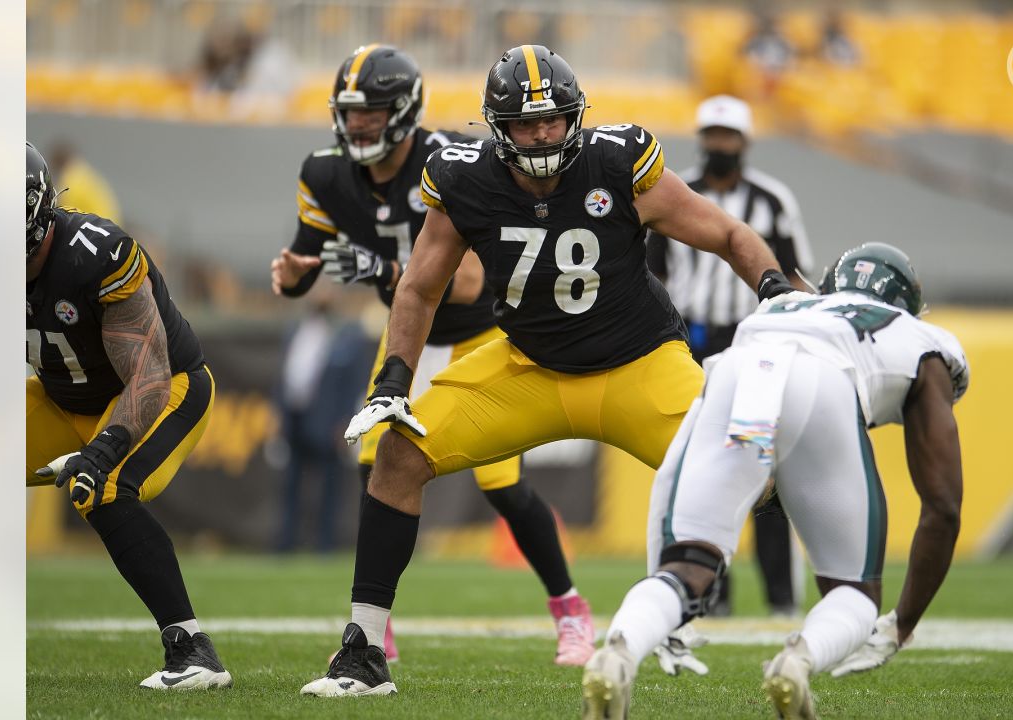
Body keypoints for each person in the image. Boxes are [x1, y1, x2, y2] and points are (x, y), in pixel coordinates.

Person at [300, 44, 799, 699]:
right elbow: (420, 289)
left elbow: (730, 236)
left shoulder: (618, 162)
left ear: (575, 117)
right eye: (525, 123)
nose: (541, 134)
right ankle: (364, 653)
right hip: (530, 365)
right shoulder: (463, 178)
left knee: (763, 478)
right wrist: (394, 380)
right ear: (496, 126)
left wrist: (774, 287)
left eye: (553, 120)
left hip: (639, 366)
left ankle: (838, 609)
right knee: (398, 455)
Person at [269, 45, 594, 666]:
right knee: (376, 465)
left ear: (407, 110)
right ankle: (373, 624)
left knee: (502, 485)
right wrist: (293, 275)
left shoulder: (450, 160)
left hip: (479, 332)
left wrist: (378, 266)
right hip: (407, 340)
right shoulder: (325, 173)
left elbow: (467, 283)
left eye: (374, 111)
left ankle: (569, 606)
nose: (360, 124)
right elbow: (303, 261)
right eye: (351, 112)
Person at [583, 242, 967, 720]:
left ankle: (620, 647)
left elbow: (671, 472)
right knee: (854, 592)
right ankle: (796, 662)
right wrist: (902, 624)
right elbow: (943, 506)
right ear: (907, 303)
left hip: (738, 372)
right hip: (824, 385)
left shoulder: (784, 303)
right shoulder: (919, 337)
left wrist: (662, 571)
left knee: (688, 564)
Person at [25, 142, 231, 690]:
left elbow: (150, 376)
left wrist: (103, 450)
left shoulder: (96, 255)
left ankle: (192, 651)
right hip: (61, 397)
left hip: (161, 390)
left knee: (104, 487)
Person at [647, 94, 814, 618]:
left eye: (728, 136)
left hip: (756, 341)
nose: (720, 145)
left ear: (744, 142)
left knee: (768, 465)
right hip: (690, 342)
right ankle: (707, 591)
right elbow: (652, 273)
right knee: (702, 467)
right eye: (712, 135)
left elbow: (794, 274)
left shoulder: (772, 199)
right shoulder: (675, 192)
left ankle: (782, 597)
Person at [274, 291, 368, 553]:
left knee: (329, 486)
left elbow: (353, 384)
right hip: (295, 416)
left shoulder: (347, 335)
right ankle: (286, 543)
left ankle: (325, 544)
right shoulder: (296, 330)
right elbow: (284, 376)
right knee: (291, 485)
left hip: (327, 422)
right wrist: (280, 414)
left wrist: (346, 422)